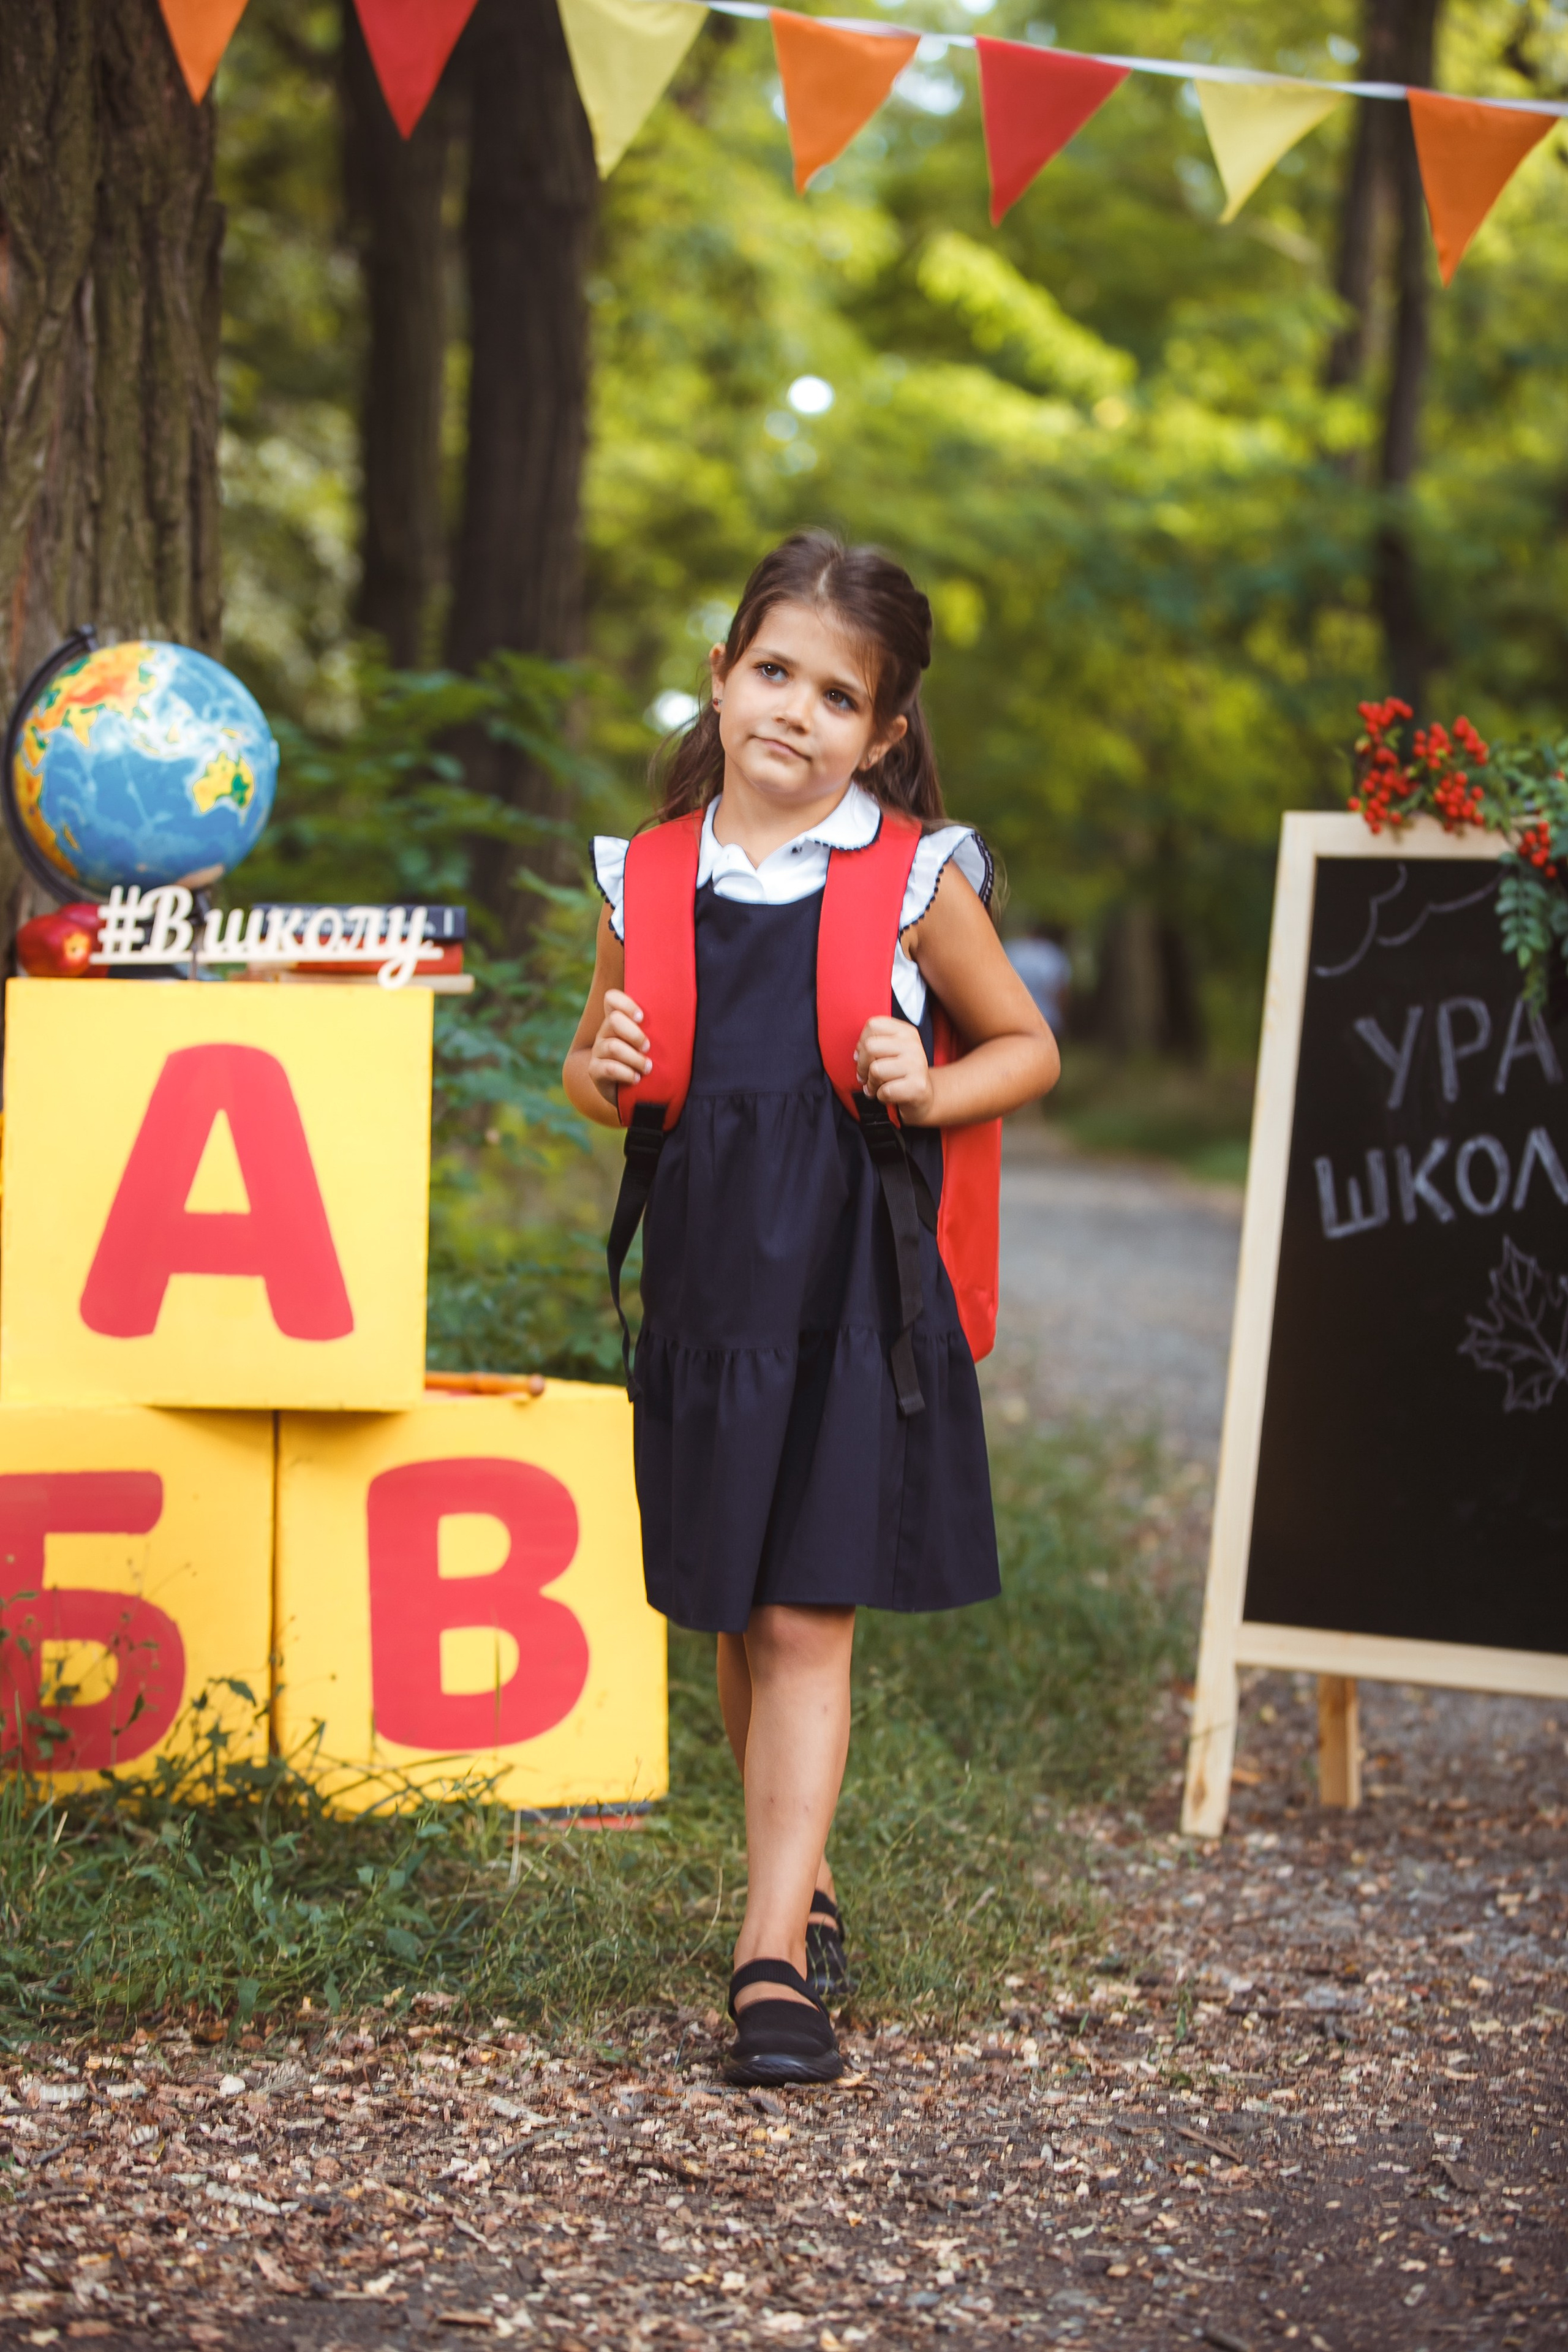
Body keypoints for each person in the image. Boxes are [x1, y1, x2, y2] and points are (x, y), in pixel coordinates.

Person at [562, 530, 1060, 2086]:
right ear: (718, 676)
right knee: (729, 1593)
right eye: (769, 672)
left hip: (851, 1290)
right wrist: (607, 1070)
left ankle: (769, 1955)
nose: (791, 712)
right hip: (711, 1289)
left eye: (832, 695)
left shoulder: (909, 875)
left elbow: (1024, 1049)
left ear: (882, 732)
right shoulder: (643, 873)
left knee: (800, 1609)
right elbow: (591, 1068)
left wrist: (929, 1082)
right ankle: (808, 1872)